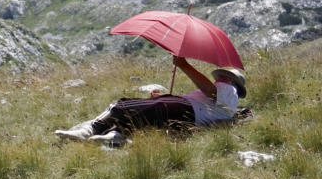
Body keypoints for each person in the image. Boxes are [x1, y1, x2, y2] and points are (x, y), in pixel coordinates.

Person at [55, 57, 246, 146]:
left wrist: (184, 65)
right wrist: (162, 97)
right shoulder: (226, 92)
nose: (220, 78)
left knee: (127, 105)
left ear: (234, 82)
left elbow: (210, 92)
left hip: (187, 110)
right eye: (221, 75)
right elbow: (207, 97)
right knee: (135, 107)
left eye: (225, 76)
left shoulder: (229, 90)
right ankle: (113, 134)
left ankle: (94, 131)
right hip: (185, 110)